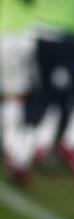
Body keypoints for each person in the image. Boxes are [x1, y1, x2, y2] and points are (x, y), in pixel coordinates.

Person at [29, 0, 74, 177]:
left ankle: (42, 144)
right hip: (68, 37)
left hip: (40, 32)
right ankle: (70, 145)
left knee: (54, 98)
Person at [0, 0, 37, 186]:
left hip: (6, 33)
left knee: (10, 96)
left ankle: (12, 148)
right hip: (25, 34)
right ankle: (15, 151)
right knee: (18, 97)